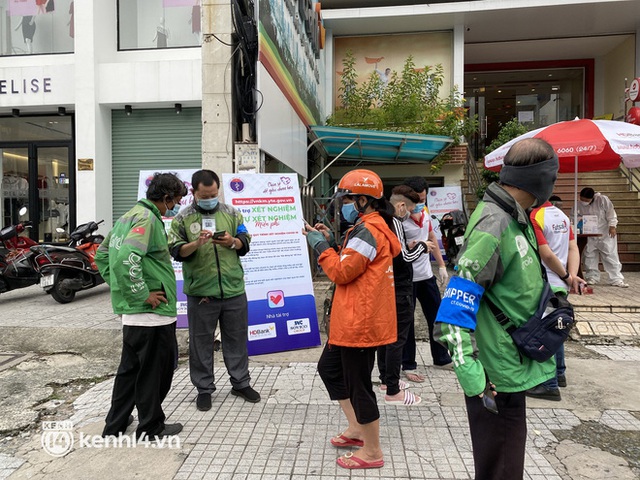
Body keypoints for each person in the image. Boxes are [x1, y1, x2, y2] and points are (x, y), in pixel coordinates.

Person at [434, 138, 559, 480]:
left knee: (504, 467)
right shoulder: (495, 225)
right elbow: (453, 313)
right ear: (540, 179)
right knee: (500, 471)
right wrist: (475, 380)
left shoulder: (514, 219)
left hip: (511, 366)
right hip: (494, 379)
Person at [304, 169, 400, 469]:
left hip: (361, 323)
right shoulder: (365, 228)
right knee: (329, 369)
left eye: (347, 199)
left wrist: (320, 245)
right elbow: (352, 262)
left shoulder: (368, 230)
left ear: (362, 200)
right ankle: (357, 428)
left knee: (359, 385)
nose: (343, 205)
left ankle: (372, 452)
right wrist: (331, 241)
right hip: (352, 320)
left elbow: (342, 272)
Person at [96, 172, 187, 440]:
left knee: (129, 372)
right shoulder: (147, 220)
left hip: (133, 315)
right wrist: (142, 294)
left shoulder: (128, 216)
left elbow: (102, 255)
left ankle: (115, 424)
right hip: (152, 315)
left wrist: (123, 292)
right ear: (167, 197)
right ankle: (151, 427)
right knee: (154, 373)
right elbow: (126, 258)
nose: (176, 205)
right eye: (176, 200)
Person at [168, 169, 260, 411]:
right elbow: (176, 251)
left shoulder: (232, 213)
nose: (210, 198)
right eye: (205, 195)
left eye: (214, 194)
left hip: (233, 289)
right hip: (201, 292)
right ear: (194, 193)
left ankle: (240, 383)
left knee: (237, 339)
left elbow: (245, 242)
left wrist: (232, 242)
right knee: (201, 343)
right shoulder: (182, 218)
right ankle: (204, 388)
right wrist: (196, 243)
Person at [377, 185, 433, 406]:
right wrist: (421, 246)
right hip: (400, 287)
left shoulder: (380, 219)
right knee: (397, 338)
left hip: (386, 285)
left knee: (386, 336)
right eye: (409, 210)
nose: (410, 214)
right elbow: (404, 258)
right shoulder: (395, 222)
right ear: (400, 205)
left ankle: (385, 379)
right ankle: (393, 389)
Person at [526, 195, 584, 401]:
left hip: (547, 282)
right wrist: (572, 276)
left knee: (546, 332)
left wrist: (566, 276)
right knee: (556, 328)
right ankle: (559, 374)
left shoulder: (535, 215)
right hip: (561, 283)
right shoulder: (561, 215)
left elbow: (546, 254)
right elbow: (573, 247)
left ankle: (548, 384)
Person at [401, 176, 451, 382]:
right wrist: (411, 246)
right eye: (418, 199)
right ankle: (408, 364)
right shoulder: (399, 219)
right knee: (408, 322)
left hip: (426, 276)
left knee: (437, 318)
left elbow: (432, 239)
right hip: (408, 279)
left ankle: (441, 357)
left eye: (424, 199)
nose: (421, 203)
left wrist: (441, 266)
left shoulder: (425, 215)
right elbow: (397, 250)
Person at [576, 187, 628, 288]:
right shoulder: (578, 204)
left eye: (586, 200)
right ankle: (592, 276)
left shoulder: (603, 200)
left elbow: (611, 213)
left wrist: (612, 226)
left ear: (592, 198)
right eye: (582, 199)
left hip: (605, 233)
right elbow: (574, 216)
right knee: (589, 255)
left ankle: (616, 278)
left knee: (610, 255)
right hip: (589, 234)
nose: (584, 202)